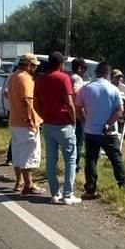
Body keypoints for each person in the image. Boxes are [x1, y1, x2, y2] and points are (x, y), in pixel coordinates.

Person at [76, 61, 125, 199]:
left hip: (91, 130)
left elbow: (77, 108)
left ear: (96, 73)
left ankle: (90, 189)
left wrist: (84, 120)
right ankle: (123, 184)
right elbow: (119, 111)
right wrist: (108, 124)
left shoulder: (86, 88)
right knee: (115, 158)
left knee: (91, 159)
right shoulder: (113, 89)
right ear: (108, 74)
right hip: (109, 131)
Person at [34, 51, 80, 205]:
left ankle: (55, 193)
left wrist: (44, 115)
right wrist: (73, 120)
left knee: (51, 160)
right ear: (60, 64)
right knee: (70, 160)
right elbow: (69, 102)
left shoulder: (40, 80)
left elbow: (36, 104)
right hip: (64, 123)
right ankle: (68, 194)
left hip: (48, 124)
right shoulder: (63, 78)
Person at [6, 53, 43, 194]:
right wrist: (31, 120)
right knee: (29, 153)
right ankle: (29, 184)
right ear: (28, 65)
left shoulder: (13, 77)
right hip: (24, 122)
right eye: (34, 66)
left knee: (17, 154)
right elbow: (28, 101)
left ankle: (19, 182)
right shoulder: (26, 79)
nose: (35, 69)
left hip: (14, 120)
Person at [71, 58, 88, 172]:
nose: (85, 71)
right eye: (84, 68)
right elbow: (76, 93)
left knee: (74, 141)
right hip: (77, 114)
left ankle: (73, 163)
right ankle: (75, 165)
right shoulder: (77, 79)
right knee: (78, 141)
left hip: (71, 114)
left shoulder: (71, 77)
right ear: (79, 68)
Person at [111, 69, 125, 137]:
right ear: (112, 78)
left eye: (120, 77)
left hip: (121, 117)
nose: (119, 79)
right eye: (117, 77)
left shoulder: (124, 89)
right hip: (111, 116)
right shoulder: (109, 88)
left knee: (120, 136)